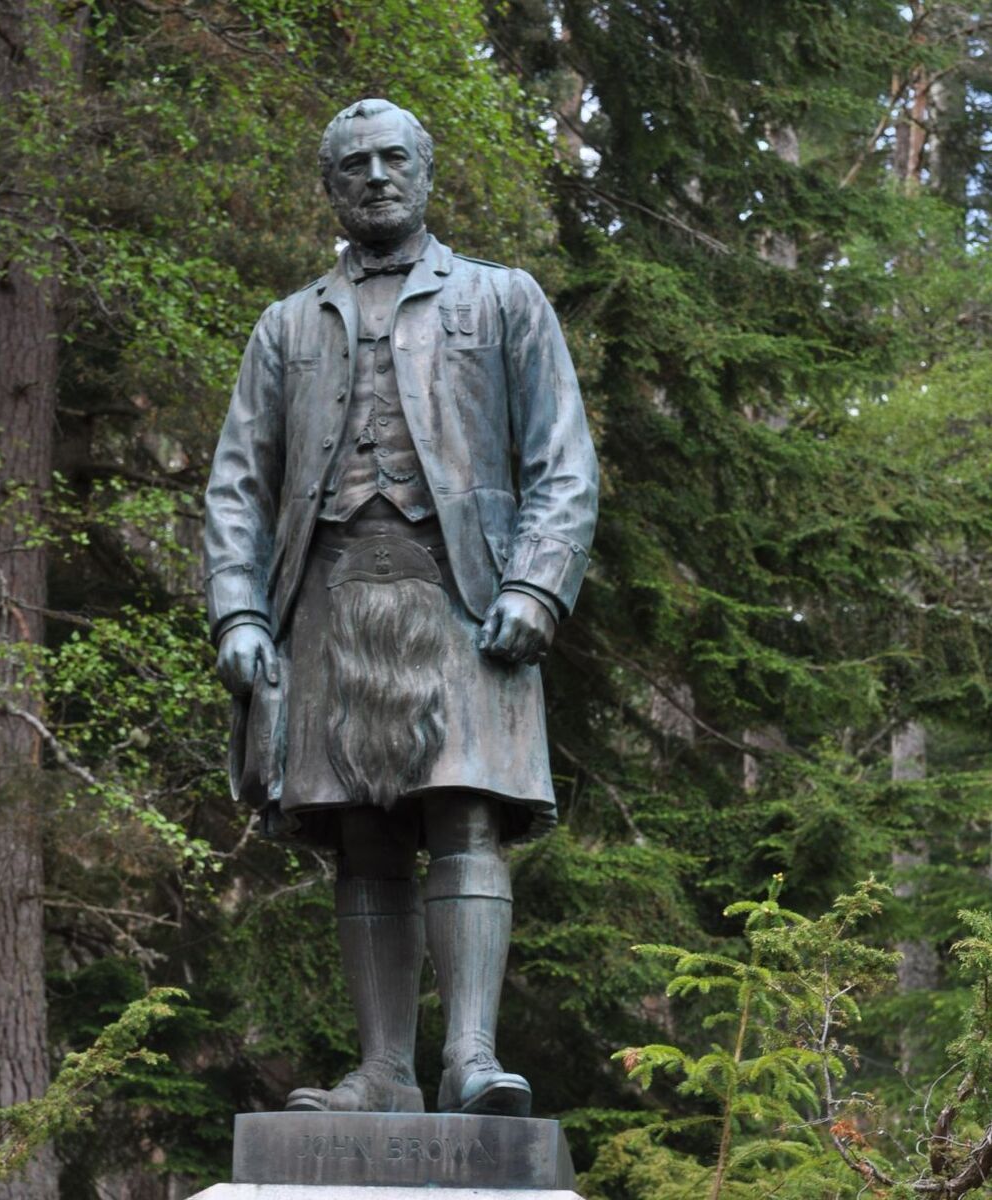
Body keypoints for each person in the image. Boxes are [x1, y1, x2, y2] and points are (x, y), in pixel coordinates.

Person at [203, 98, 598, 1117]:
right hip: (328, 606)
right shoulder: (284, 326)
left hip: (461, 600)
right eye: (353, 165)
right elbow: (238, 485)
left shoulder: (505, 301)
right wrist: (238, 613)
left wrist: (536, 585)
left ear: (426, 172)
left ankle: (471, 1060)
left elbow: (563, 461)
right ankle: (383, 1073)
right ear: (330, 187)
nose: (375, 177)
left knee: (463, 817)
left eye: (393, 160)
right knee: (363, 835)